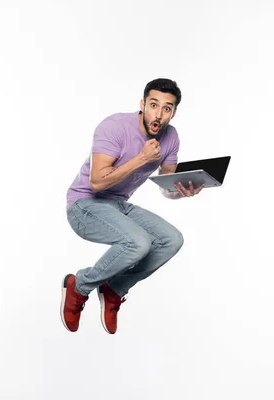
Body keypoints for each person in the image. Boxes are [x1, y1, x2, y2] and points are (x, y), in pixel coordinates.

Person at [61, 78, 204, 334]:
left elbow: (165, 187)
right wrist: (141, 158)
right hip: (84, 205)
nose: (158, 114)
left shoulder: (171, 137)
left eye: (167, 108)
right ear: (142, 104)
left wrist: (180, 192)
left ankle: (114, 289)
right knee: (139, 242)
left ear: (174, 112)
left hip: (117, 205)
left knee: (172, 239)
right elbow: (96, 183)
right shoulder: (114, 126)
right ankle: (79, 286)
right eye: (153, 105)